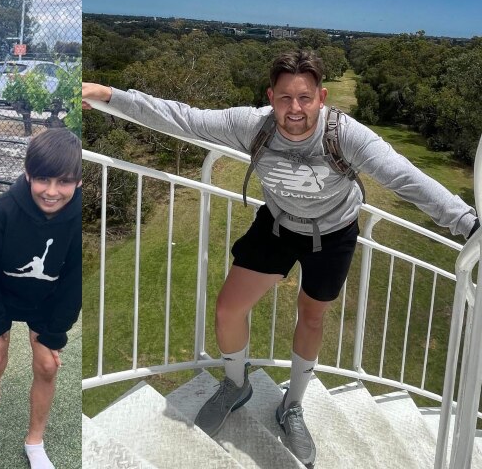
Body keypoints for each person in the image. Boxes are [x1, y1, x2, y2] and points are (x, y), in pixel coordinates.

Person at [82, 50, 478, 468]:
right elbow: (183, 117)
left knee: (311, 317)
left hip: (334, 235)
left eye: (305, 98)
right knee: (228, 309)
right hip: (277, 226)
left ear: (321, 97)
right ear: (271, 97)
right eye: (285, 98)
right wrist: (107, 94)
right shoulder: (253, 126)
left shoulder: (346, 136)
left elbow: (404, 177)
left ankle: (292, 406)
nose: (294, 109)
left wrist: (469, 225)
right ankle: (237, 386)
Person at [0, 128, 82, 469]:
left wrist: (56, 332)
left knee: (47, 366)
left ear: (78, 182)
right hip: (3, 297)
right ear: (27, 173)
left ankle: (35, 441)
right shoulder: (3, 209)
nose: (51, 191)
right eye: (43, 179)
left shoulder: (80, 216)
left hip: (47, 301)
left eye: (64, 182)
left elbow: (75, 280)